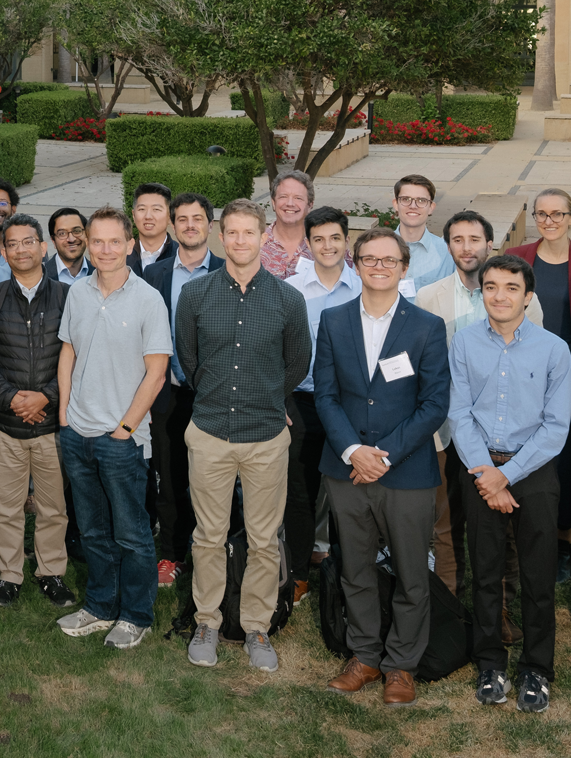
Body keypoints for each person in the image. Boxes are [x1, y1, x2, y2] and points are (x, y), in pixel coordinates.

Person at [315, 227, 450, 708]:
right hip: (346, 469)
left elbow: (434, 405)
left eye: (388, 260)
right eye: (369, 258)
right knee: (355, 568)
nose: (378, 266)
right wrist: (355, 451)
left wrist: (384, 455)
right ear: (355, 264)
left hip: (406, 471)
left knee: (412, 573)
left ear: (403, 269)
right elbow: (326, 396)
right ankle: (365, 656)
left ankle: (401, 666)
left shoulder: (427, 327)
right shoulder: (333, 321)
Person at [178, 198, 309, 673]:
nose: (239, 241)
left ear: (262, 236)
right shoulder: (194, 296)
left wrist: (266, 397)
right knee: (208, 536)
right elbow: (189, 362)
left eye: (248, 233)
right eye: (230, 233)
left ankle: (257, 625)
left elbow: (297, 365)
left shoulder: (287, 300)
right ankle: (207, 621)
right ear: (220, 236)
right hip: (210, 431)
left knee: (263, 538)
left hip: (265, 435)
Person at [448, 254, 571, 714]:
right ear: (482, 292)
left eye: (511, 288)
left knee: (538, 576)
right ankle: (489, 662)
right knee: (485, 571)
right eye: (492, 286)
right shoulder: (463, 343)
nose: (500, 296)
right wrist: (487, 474)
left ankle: (537, 668)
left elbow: (556, 427)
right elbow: (459, 413)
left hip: (533, 471)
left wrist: (507, 476)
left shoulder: (554, 349)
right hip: (480, 469)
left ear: (528, 296)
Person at [55, 207, 171, 650]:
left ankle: (135, 614)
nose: (105, 250)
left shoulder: (148, 300)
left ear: (129, 245)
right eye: (96, 241)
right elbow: (68, 352)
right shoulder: (78, 293)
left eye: (113, 242)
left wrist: (125, 428)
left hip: (120, 440)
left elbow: (156, 373)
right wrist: (65, 415)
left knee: (132, 533)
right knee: (92, 531)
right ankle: (100, 605)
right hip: (77, 434)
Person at [0, 213, 74, 610]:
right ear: (4, 250)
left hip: (51, 425)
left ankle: (51, 574)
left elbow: (75, 355)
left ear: (43, 247)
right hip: (5, 425)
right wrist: (12, 398)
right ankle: (9, 575)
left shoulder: (67, 297)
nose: (21, 249)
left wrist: (45, 397)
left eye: (28, 242)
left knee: (53, 508)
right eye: (12, 244)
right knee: (7, 508)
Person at [507, 187, 571, 582]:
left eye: (557, 214)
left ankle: (563, 542)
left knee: (567, 455)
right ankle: (524, 532)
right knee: (526, 444)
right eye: (542, 214)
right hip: (525, 370)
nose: (549, 221)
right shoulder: (517, 259)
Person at [413, 210, 509, 596]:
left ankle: (499, 602)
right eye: (457, 240)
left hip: (498, 429)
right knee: (445, 519)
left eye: (474, 239)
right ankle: (450, 601)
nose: (466, 248)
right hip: (443, 428)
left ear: (490, 244)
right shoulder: (427, 297)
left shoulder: (513, 296)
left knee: (499, 517)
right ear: (447, 245)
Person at [141, 193, 222, 587]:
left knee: (215, 480)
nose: (190, 225)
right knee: (170, 476)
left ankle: (213, 552)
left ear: (211, 225)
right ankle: (172, 554)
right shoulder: (153, 275)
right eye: (183, 219)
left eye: (198, 218)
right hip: (167, 393)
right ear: (173, 227)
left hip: (216, 396)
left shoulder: (227, 271)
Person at [284, 207, 359, 594]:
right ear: (307, 244)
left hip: (349, 405)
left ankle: (345, 574)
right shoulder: (291, 289)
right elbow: (274, 349)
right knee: (300, 491)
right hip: (301, 400)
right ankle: (298, 572)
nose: (327, 246)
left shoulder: (365, 287)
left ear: (346, 241)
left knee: (346, 493)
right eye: (318, 239)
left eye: (334, 238)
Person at [391, 175, 452, 293]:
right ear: (396, 204)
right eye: (406, 199)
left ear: (431, 207)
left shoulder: (447, 252)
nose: (413, 206)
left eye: (421, 201)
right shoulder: (376, 249)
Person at [259, 170, 316, 279]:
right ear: (273, 202)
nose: (290, 203)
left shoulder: (324, 245)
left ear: (310, 204)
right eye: (283, 196)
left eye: (298, 198)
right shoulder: (255, 244)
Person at [126, 183, 174, 273]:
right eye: (142, 209)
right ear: (133, 215)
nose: (148, 216)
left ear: (170, 216)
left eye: (156, 209)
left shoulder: (181, 257)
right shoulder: (120, 257)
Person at [45, 208, 90, 287]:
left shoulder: (100, 274)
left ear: (86, 235)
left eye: (77, 231)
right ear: (53, 240)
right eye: (62, 233)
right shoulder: (40, 278)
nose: (71, 239)